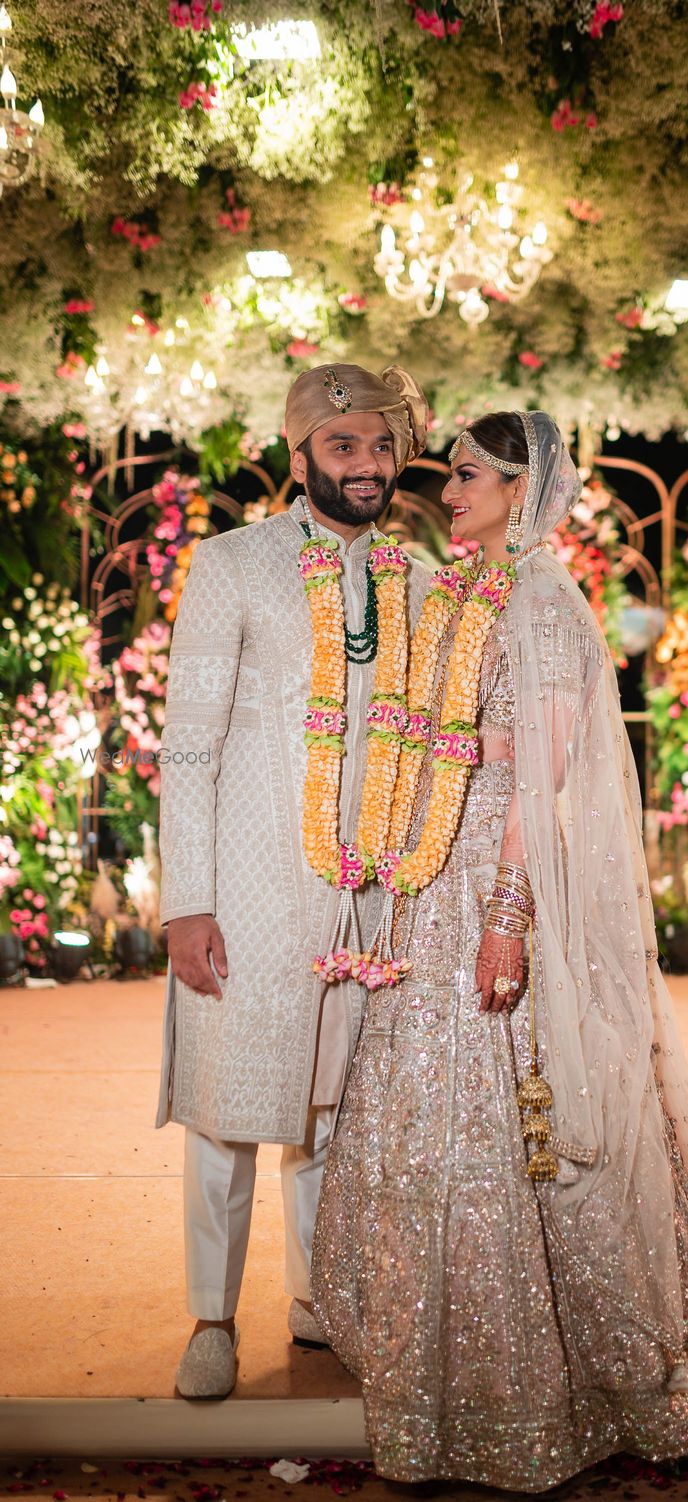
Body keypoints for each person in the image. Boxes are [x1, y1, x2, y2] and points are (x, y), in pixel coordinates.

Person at [310, 410, 688, 1490]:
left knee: (512, 1107)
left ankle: (551, 1369)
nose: (450, 489)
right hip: (442, 873)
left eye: (470, 474)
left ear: (521, 490)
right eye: (452, 474)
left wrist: (507, 911)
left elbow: (545, 771)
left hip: (497, 881)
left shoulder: (542, 602)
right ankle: (447, 1353)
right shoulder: (471, 590)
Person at [155, 362, 431, 1400]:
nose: (366, 464)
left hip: (367, 894)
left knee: (332, 1112)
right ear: (300, 454)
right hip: (248, 887)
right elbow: (187, 745)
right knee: (228, 1111)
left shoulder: (415, 573)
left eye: (379, 445)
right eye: (344, 445)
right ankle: (211, 1317)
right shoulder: (233, 564)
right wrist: (187, 899)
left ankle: (318, 1303)